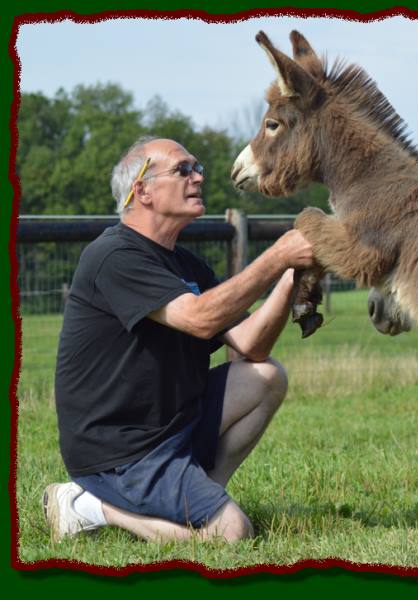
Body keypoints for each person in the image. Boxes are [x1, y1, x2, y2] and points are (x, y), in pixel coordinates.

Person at [43, 136, 315, 543]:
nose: (199, 177)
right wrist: (276, 256)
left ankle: (203, 495)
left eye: (197, 167)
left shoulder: (186, 263)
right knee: (232, 535)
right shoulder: (114, 256)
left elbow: (251, 345)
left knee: (266, 375)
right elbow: (200, 319)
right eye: (183, 169)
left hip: (173, 426)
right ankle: (89, 507)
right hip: (121, 450)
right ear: (143, 190)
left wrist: (292, 274)